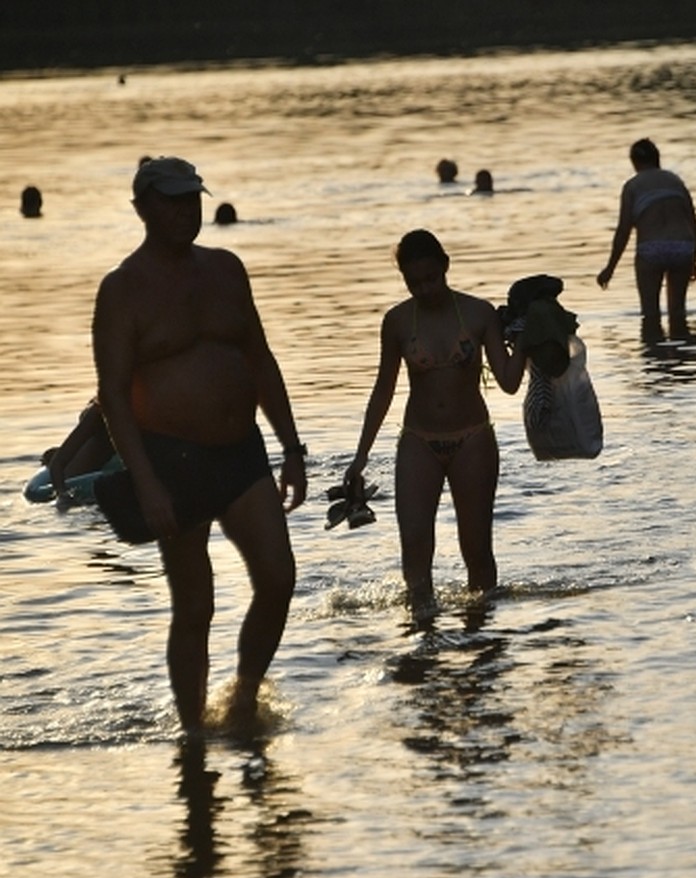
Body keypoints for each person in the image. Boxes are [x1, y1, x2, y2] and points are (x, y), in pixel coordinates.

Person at [91, 155, 307, 735]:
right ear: (142, 207)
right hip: (172, 461)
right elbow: (112, 395)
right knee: (195, 607)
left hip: (242, 452)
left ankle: (241, 699)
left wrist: (292, 447)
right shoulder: (122, 290)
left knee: (279, 577)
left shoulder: (226, 269)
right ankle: (192, 735)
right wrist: (146, 482)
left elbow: (259, 359)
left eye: (194, 198)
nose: (188, 210)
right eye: (173, 199)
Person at [343, 229, 526, 613]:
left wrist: (526, 338)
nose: (425, 289)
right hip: (418, 441)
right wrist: (360, 457)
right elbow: (383, 390)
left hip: (473, 439)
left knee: (476, 550)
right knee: (414, 545)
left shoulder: (478, 313)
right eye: (414, 283)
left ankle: (481, 639)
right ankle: (422, 634)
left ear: (445, 266)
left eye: (431, 279)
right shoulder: (396, 321)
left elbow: (509, 382)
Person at [596, 138, 696, 340]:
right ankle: (682, 360)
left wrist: (610, 268)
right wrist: (693, 260)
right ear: (657, 159)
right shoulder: (676, 181)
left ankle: (656, 360)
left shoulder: (632, 186)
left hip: (651, 250)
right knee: (678, 312)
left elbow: (624, 230)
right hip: (682, 247)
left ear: (634, 162)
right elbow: (693, 224)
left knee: (650, 314)